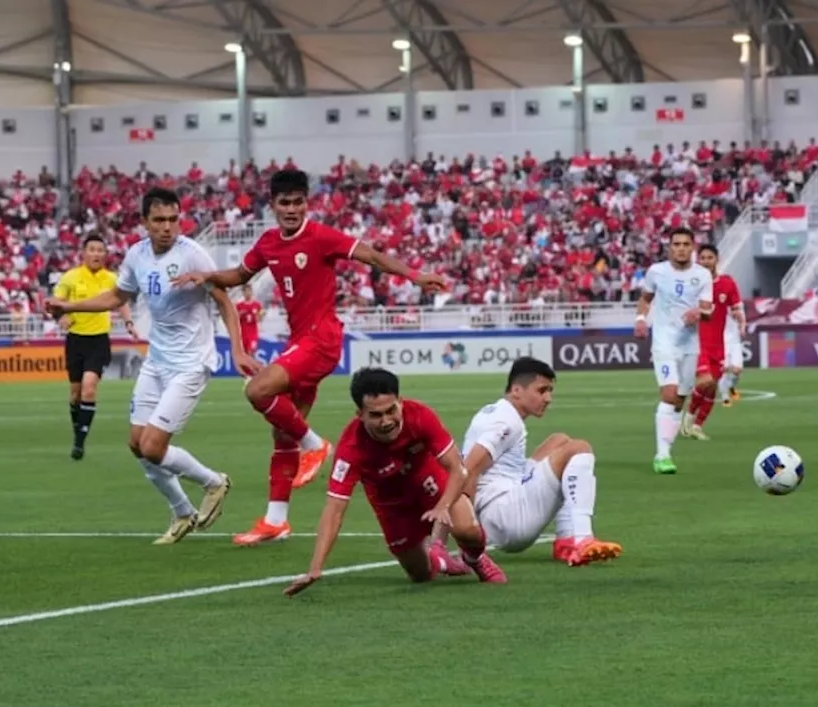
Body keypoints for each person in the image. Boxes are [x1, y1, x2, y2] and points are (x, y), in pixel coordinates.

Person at [172, 169, 447, 547]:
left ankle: (316, 445)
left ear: (307, 204)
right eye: (284, 203)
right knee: (282, 432)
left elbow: (370, 256)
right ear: (273, 205)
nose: (291, 209)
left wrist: (414, 275)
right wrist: (206, 275)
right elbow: (238, 274)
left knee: (257, 391)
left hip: (322, 340)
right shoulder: (269, 243)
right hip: (300, 340)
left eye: (298, 202)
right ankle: (276, 520)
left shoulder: (320, 236)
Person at [47, 188, 243, 545]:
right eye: (159, 220)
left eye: (173, 219)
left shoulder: (192, 254)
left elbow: (224, 301)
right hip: (157, 361)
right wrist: (68, 307)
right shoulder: (136, 254)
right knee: (137, 445)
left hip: (190, 363)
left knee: (153, 446)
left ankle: (214, 482)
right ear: (145, 222)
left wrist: (240, 350)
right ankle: (182, 511)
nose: (168, 227)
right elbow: (116, 297)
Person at [283, 368, 505, 597]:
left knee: (468, 530)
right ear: (360, 414)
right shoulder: (351, 449)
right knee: (420, 575)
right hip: (391, 505)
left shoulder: (420, 416)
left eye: (391, 410)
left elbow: (458, 469)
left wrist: (443, 506)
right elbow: (334, 511)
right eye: (376, 415)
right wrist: (315, 568)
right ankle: (444, 563)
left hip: (430, 481)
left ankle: (474, 558)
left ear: (400, 402)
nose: (386, 421)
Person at [429, 357, 621, 567]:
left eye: (550, 391)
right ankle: (583, 538)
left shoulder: (494, 410)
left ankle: (566, 542)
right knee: (579, 449)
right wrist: (452, 535)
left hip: (500, 503)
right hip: (505, 517)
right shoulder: (506, 423)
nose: (548, 398)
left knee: (560, 440)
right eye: (542, 391)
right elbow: (467, 469)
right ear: (517, 390)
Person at [634, 228, 714, 474]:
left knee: (679, 400)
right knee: (669, 395)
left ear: (693, 248)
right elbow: (646, 298)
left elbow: (708, 309)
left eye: (685, 244)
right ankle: (662, 455)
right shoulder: (656, 272)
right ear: (669, 247)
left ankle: (666, 446)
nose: (680, 248)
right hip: (664, 343)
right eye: (676, 244)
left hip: (689, 345)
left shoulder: (702, 275)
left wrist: (699, 313)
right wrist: (640, 318)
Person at [53, 234, 138, 460]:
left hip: (99, 340)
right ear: (84, 252)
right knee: (75, 394)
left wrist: (129, 322)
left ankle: (80, 442)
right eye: (92, 249)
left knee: (89, 387)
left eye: (101, 250)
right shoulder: (70, 277)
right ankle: (77, 431)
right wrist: (61, 317)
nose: (97, 254)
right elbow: (55, 304)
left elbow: (121, 302)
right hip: (75, 340)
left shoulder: (111, 279)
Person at [683, 244, 743, 440]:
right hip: (697, 342)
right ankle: (688, 419)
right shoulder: (692, 285)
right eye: (703, 258)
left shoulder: (727, 283)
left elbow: (736, 307)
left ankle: (697, 426)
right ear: (698, 261)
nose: (706, 261)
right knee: (705, 381)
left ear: (717, 260)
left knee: (712, 386)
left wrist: (739, 318)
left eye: (710, 257)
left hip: (718, 344)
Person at [235, 285, 264, 356]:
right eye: (245, 291)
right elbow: (235, 319)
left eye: (249, 291)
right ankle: (246, 367)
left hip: (253, 334)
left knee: (251, 352)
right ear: (243, 293)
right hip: (243, 334)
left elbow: (259, 319)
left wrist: (259, 315)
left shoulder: (257, 305)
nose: (247, 293)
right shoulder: (239, 306)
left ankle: (252, 367)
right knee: (244, 355)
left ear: (251, 292)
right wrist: (240, 314)